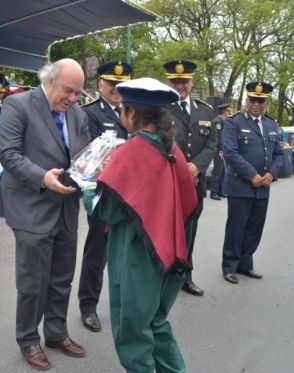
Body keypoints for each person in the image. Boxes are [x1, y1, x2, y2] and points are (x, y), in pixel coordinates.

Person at [83, 77, 197, 372]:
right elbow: (190, 205)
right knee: (156, 323)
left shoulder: (131, 152)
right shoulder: (173, 150)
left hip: (135, 255)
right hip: (169, 254)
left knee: (132, 333)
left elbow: (107, 209)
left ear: (131, 114)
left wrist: (87, 187)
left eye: (123, 110)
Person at [0, 58, 90, 371]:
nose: (73, 99)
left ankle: (56, 332)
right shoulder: (18, 105)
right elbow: (9, 155)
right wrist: (42, 177)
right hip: (31, 205)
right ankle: (27, 339)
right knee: (33, 280)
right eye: (68, 90)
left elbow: (84, 155)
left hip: (66, 205)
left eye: (77, 93)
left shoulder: (77, 114)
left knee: (62, 276)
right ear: (49, 82)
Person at [78, 60, 132, 333]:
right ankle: (88, 306)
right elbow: (91, 159)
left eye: (121, 84)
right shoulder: (90, 114)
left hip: (132, 195)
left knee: (126, 254)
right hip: (103, 194)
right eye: (111, 83)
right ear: (100, 84)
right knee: (97, 253)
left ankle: (122, 306)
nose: (116, 89)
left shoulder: (135, 112)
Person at [221, 81, 284, 284]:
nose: (256, 104)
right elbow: (230, 152)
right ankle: (230, 266)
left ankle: (245, 264)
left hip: (263, 186)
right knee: (236, 228)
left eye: (260, 101)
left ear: (266, 102)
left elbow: (279, 154)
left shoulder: (271, 124)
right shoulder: (234, 122)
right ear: (246, 100)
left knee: (255, 227)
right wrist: (252, 175)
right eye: (252, 100)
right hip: (241, 185)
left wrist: (271, 173)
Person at [163, 59, 216, 296]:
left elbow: (212, 143)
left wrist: (197, 167)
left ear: (192, 82)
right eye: (175, 81)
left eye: (183, 81)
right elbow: (160, 145)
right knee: (167, 231)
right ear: (168, 81)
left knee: (190, 231)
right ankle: (164, 275)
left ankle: (186, 275)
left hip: (196, 184)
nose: (179, 85)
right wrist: (185, 170)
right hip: (170, 183)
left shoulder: (205, 110)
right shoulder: (160, 108)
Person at [210, 103, 231, 200]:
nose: (229, 113)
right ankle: (213, 192)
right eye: (228, 111)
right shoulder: (218, 122)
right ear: (225, 112)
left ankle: (221, 191)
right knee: (217, 171)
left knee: (223, 171)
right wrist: (221, 149)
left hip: (223, 149)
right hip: (219, 150)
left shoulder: (224, 121)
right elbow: (219, 138)